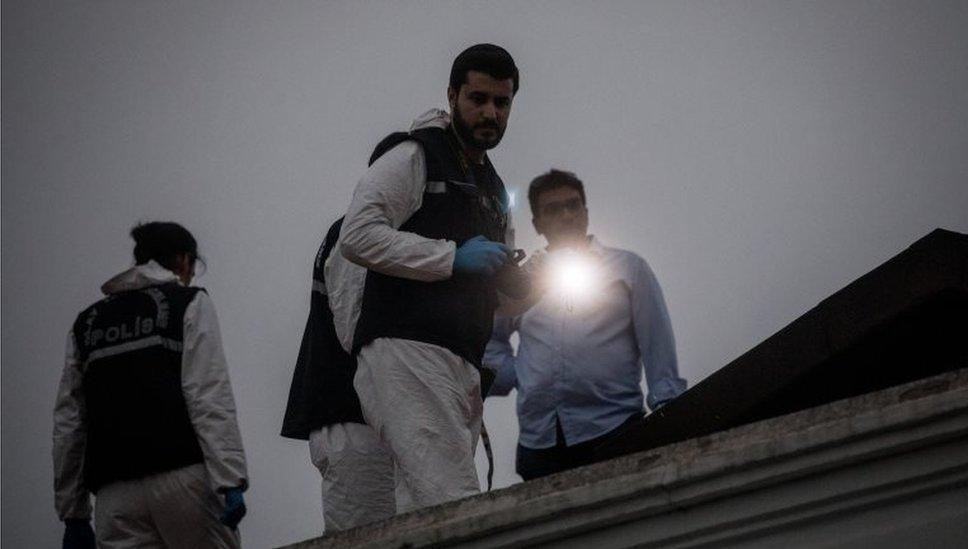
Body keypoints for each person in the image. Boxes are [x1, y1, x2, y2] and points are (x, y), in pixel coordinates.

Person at [337, 43, 523, 511]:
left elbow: (494, 288)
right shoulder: (415, 154)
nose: (489, 113)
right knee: (454, 503)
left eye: (501, 103)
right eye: (477, 99)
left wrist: (517, 281)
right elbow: (357, 235)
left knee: (419, 509)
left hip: (460, 360)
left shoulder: (493, 186)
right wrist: (450, 257)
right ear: (452, 95)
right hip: (408, 351)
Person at [53, 222, 249, 549]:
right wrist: (230, 478)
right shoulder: (188, 303)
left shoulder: (86, 324)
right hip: (184, 480)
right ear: (183, 260)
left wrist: (72, 511)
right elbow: (207, 395)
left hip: (114, 497)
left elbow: (70, 423)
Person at [485, 169, 687, 480]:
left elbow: (657, 345)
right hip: (540, 440)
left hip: (613, 427)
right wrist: (517, 372)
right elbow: (491, 340)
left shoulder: (627, 269)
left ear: (586, 212)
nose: (566, 215)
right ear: (537, 224)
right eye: (552, 209)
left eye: (573, 205)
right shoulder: (522, 282)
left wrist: (669, 415)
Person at [280, 218, 396, 532]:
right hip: (358, 422)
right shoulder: (364, 230)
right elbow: (355, 329)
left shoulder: (366, 229)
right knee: (371, 537)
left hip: (369, 420)